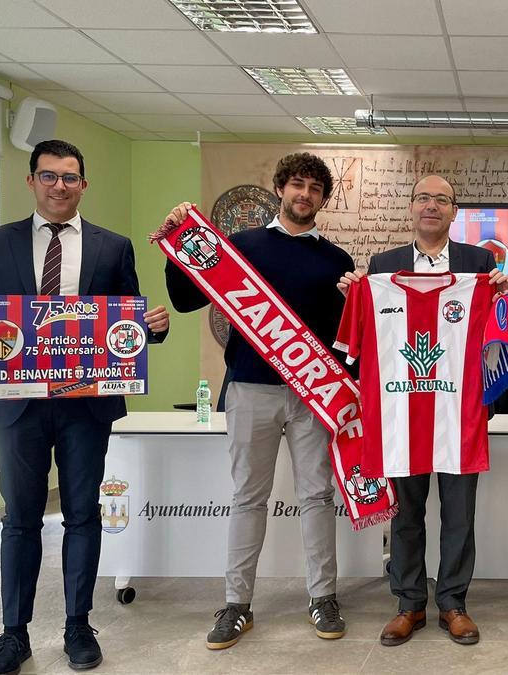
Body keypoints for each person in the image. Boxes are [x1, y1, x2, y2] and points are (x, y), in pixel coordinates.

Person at [0, 139, 170, 675]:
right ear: (31, 182)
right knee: (19, 520)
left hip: (85, 406)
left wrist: (150, 329)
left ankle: (77, 625)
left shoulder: (112, 247)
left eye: (70, 177)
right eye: (49, 176)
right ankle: (13, 633)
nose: (60, 186)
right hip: (16, 404)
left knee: (82, 514)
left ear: (83, 185)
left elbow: (125, 322)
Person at [161, 153, 355, 650]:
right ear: (280, 189)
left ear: (323, 199)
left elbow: (343, 337)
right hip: (249, 388)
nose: (304, 194)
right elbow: (185, 299)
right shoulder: (239, 247)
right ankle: (236, 604)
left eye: (315, 188)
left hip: (313, 393)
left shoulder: (337, 260)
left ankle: (323, 597)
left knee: (317, 496)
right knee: (248, 497)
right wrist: (175, 245)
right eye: (296, 184)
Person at [338, 174, 508, 647]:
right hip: (401, 414)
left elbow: (502, 332)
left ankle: (453, 603)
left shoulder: (481, 264)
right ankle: (409, 604)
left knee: (459, 514)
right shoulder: (382, 266)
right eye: (422, 198)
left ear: (455, 212)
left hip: (460, 412)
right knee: (406, 515)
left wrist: (503, 292)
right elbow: (368, 334)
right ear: (411, 209)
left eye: (441, 199)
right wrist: (353, 291)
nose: (430, 206)